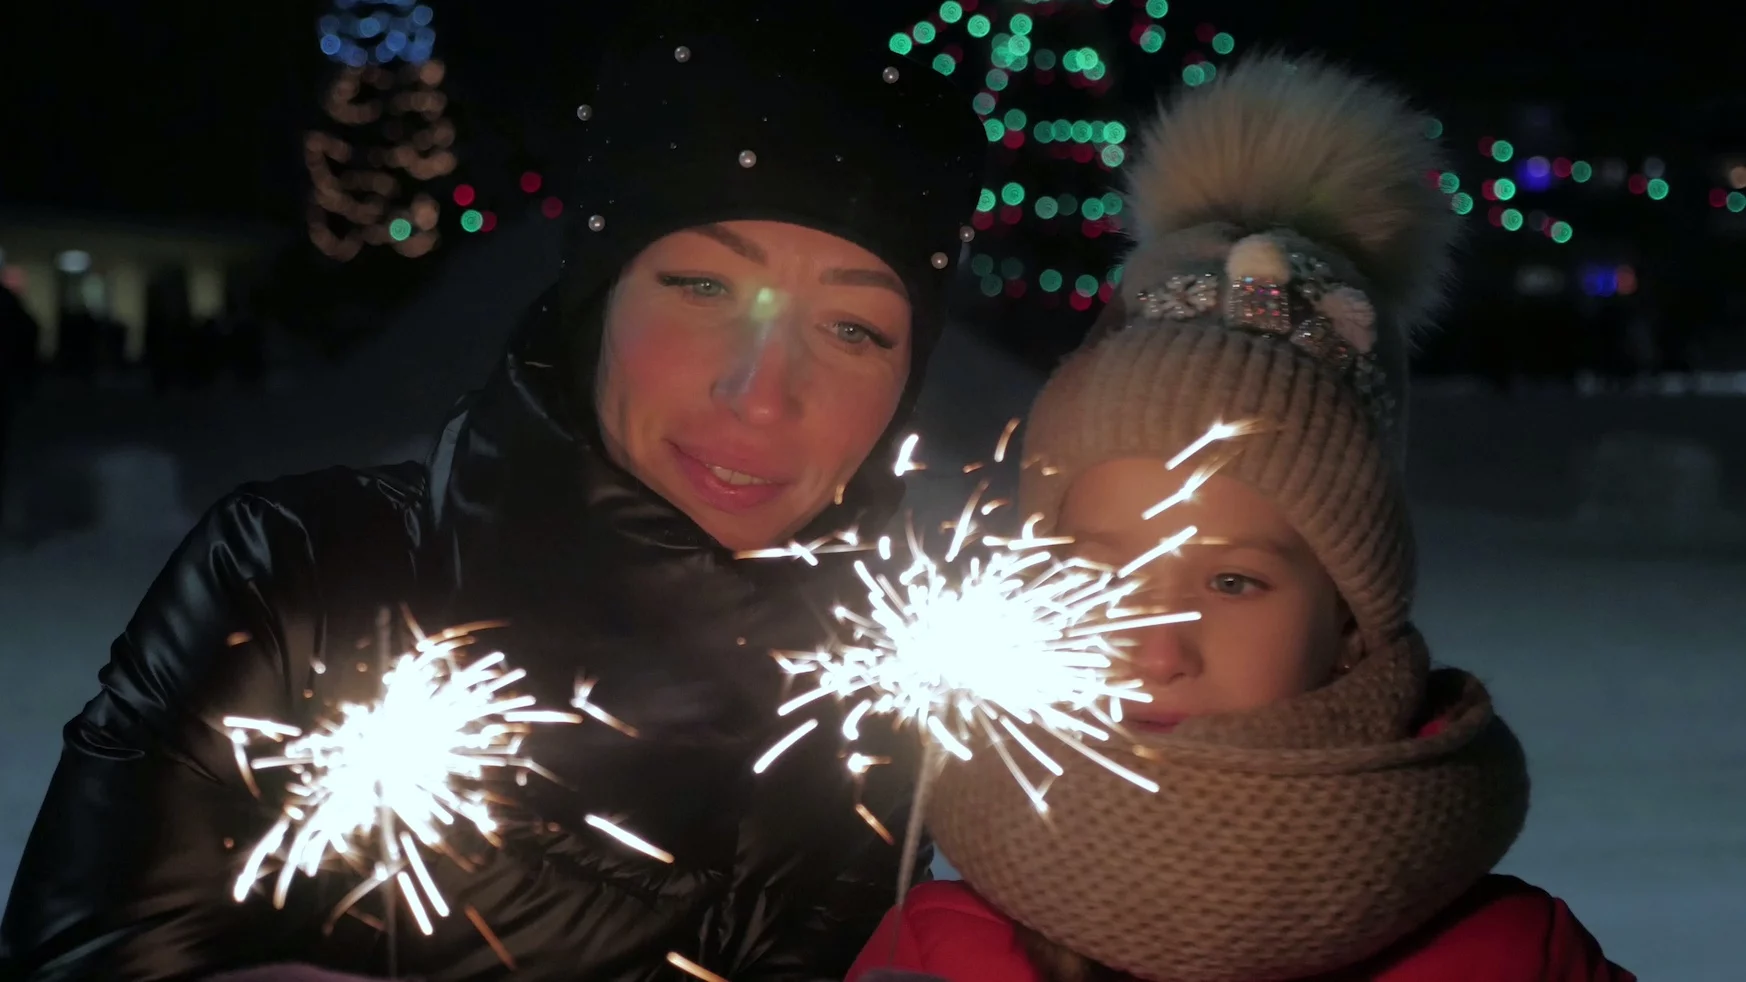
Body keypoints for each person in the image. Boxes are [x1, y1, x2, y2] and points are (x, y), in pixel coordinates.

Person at [0, 11, 986, 982]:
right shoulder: (301, 576)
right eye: (701, 286)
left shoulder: (874, 707)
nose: (762, 394)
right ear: (596, 302)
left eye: (855, 329)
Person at [846, 54, 1635, 982]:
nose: (1157, 649)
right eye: (1101, 577)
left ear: (1349, 623)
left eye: (1232, 581)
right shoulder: (938, 949)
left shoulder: (1509, 961)